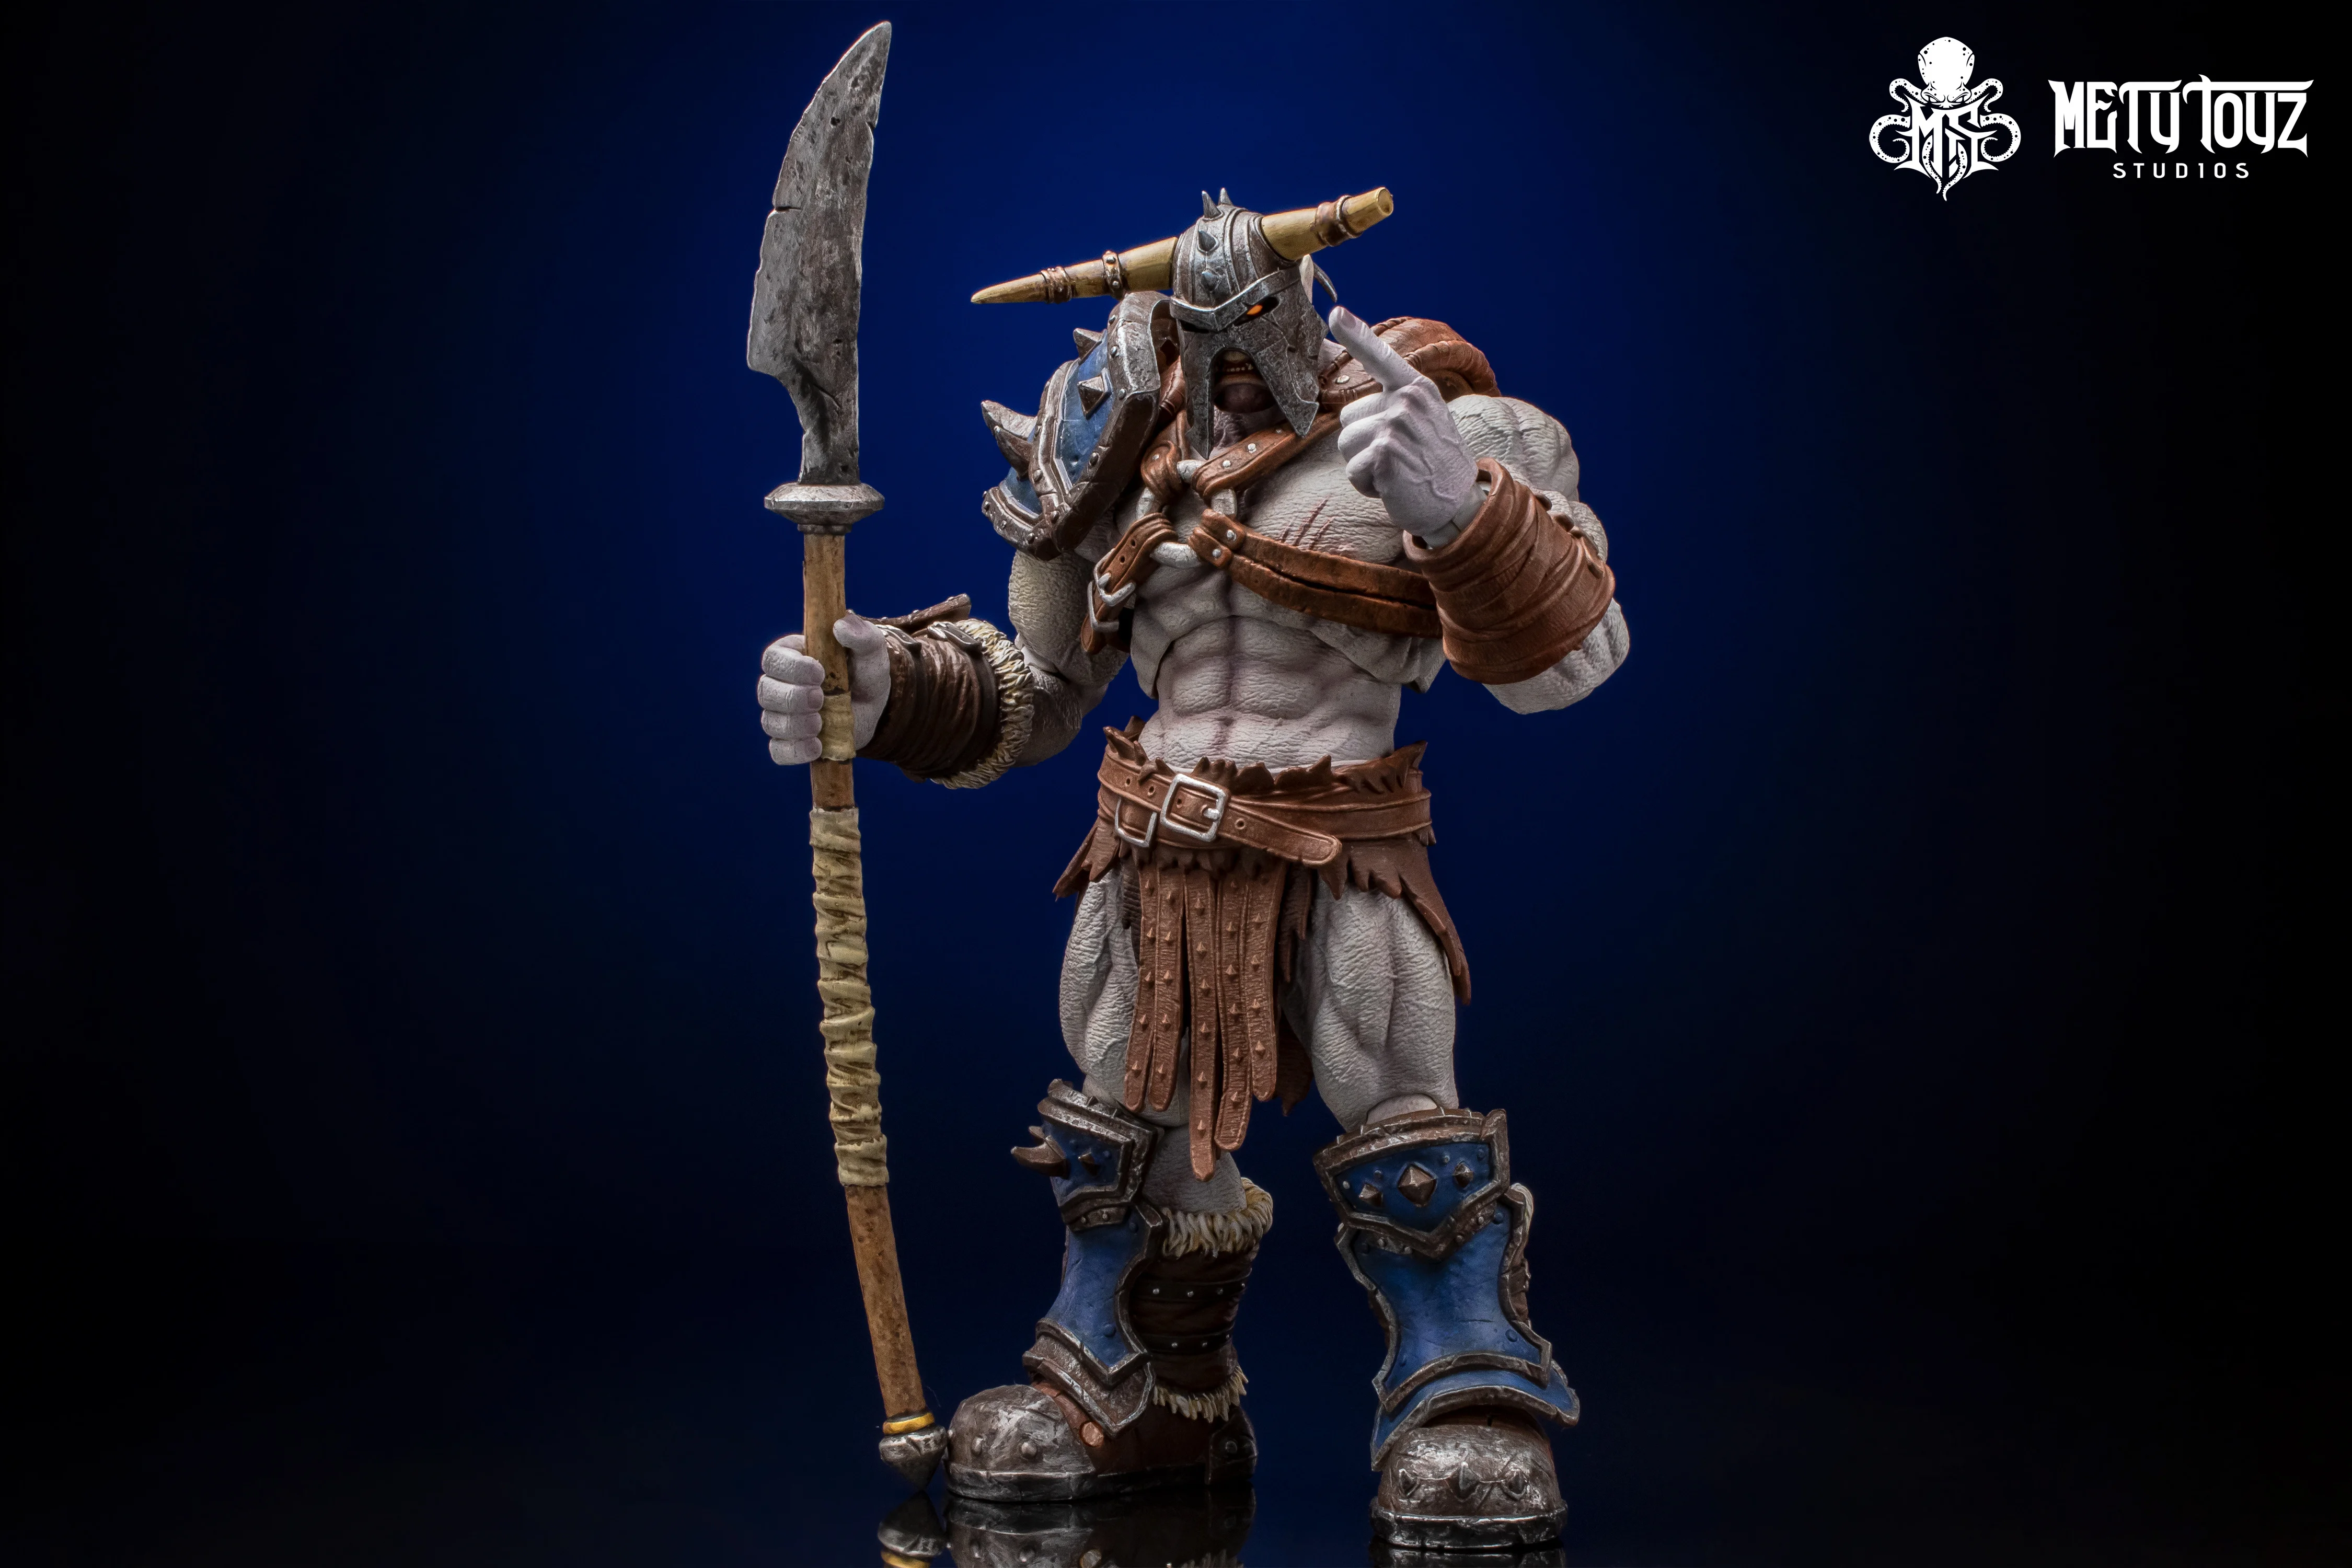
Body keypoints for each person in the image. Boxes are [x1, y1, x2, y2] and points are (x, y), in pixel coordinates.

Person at [756, 192, 1628, 1550]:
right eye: (1202, 327)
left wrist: (1459, 511)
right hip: (1148, 846)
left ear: (1304, 305)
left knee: (1399, 1106)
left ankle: (1464, 1393)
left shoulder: (1430, 428)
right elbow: (1043, 690)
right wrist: (887, 691)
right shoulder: (1107, 441)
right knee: (1123, 1123)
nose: (1234, 353)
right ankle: (1147, 1399)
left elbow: (1572, 665)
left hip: (1337, 840)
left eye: (1259, 319)